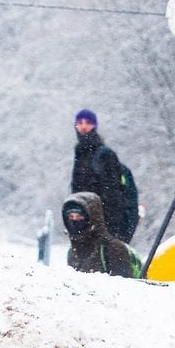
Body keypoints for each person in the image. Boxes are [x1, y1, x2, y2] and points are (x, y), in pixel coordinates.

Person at [70, 109, 132, 241]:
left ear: (95, 126)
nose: (84, 126)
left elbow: (113, 195)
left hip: (104, 226)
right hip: (85, 225)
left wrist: (108, 228)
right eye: (80, 123)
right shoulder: (80, 153)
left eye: (88, 122)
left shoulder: (104, 155)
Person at [62, 192, 141, 278]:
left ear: (92, 217)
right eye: (70, 216)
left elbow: (124, 287)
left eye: (79, 216)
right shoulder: (73, 251)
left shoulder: (114, 248)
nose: (74, 221)